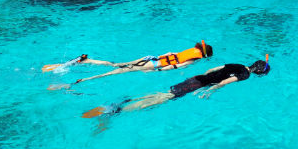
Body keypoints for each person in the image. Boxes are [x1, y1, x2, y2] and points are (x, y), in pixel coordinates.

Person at [82, 57, 271, 118]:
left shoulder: (238, 65)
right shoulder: (244, 75)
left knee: (166, 93)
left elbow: (215, 69)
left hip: (197, 77)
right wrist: (209, 90)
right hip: (200, 83)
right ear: (258, 73)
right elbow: (224, 82)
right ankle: (117, 109)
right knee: (162, 99)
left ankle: (125, 101)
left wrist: (201, 79)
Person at [48, 41, 212, 90]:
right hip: (153, 65)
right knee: (114, 73)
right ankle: (79, 81)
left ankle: (86, 60)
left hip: (150, 57)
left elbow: (169, 53)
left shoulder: (190, 51)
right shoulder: (193, 60)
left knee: (117, 65)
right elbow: (174, 66)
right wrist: (156, 71)